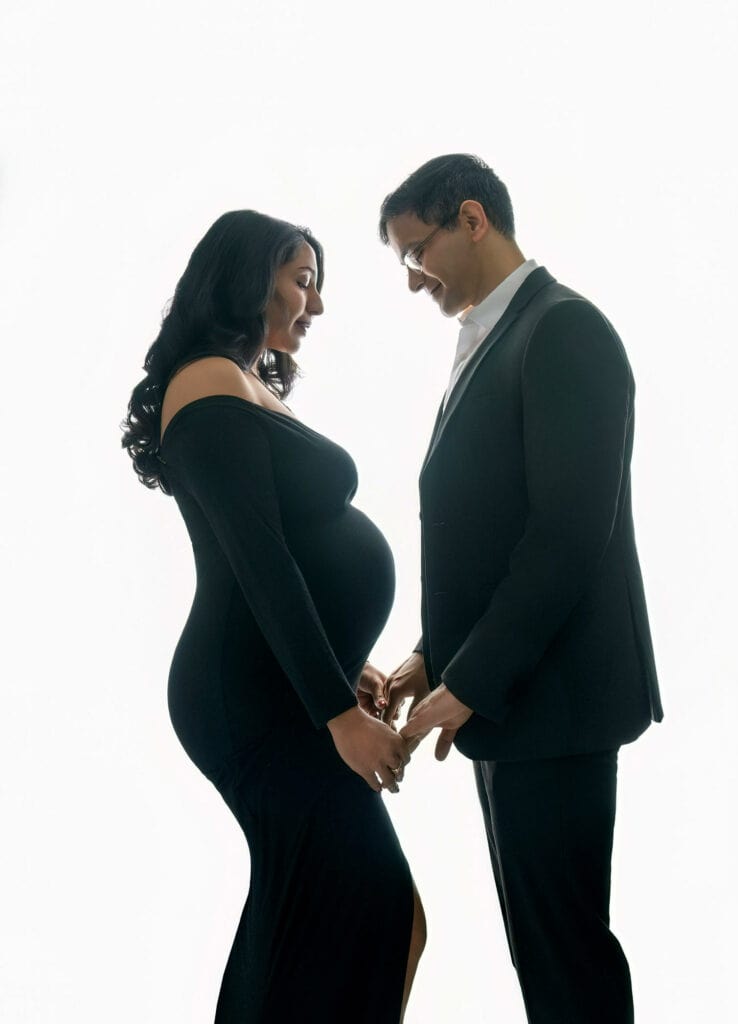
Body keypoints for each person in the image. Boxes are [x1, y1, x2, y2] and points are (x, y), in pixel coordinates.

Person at [121, 210, 426, 1023]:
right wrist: (337, 713)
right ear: (247, 278)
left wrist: (339, 664)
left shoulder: (241, 383)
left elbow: (290, 551)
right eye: (302, 281)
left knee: (329, 913)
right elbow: (256, 560)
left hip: (282, 687)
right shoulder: (205, 382)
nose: (314, 305)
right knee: (370, 906)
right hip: (253, 701)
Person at [379, 154, 663, 1024]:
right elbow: (488, 532)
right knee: (542, 954)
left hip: (552, 702)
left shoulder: (565, 329)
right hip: (510, 702)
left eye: (415, 251)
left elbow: (567, 536)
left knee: (566, 956)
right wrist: (433, 657)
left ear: (472, 220)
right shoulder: (494, 333)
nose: (411, 278)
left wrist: (468, 679)